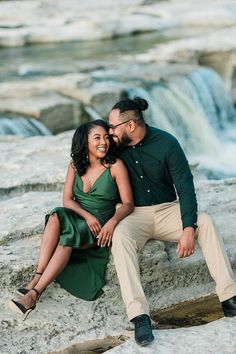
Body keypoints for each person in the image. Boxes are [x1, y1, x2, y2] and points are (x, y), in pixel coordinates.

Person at [108, 97, 236, 346]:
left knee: (206, 222)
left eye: (114, 127)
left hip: (168, 210)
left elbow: (186, 189)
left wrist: (189, 228)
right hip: (133, 214)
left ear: (131, 125)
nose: (110, 131)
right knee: (120, 237)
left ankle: (229, 298)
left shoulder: (167, 143)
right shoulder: (114, 146)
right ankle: (140, 315)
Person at [9, 119, 134, 320]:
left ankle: (33, 294)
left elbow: (128, 204)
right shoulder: (75, 165)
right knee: (56, 215)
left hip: (100, 224)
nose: (104, 142)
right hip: (80, 216)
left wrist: (111, 223)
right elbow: (67, 200)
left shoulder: (115, 166)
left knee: (67, 238)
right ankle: (37, 276)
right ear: (85, 142)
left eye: (106, 137)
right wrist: (86, 215)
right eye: (97, 138)